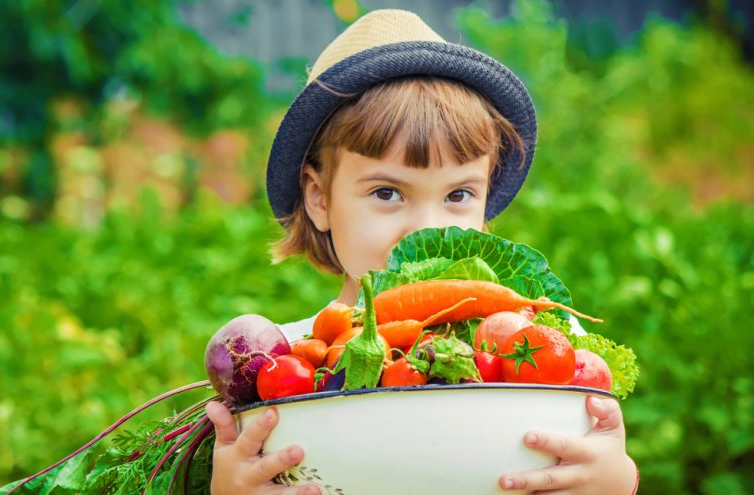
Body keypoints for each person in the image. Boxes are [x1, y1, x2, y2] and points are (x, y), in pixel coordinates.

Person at [205, 9, 639, 495]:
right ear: (320, 198)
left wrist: (614, 480)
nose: (426, 229)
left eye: (457, 195)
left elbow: (585, 462)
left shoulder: (542, 346)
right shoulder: (277, 365)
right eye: (388, 193)